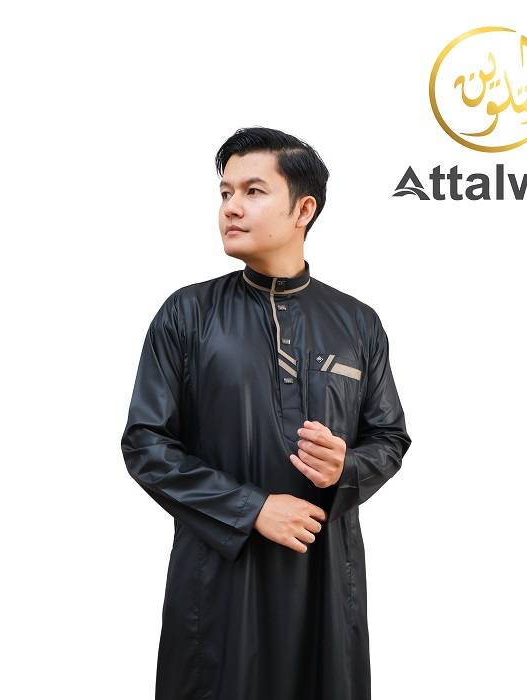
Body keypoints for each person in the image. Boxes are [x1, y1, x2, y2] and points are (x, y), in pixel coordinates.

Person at [121, 126, 411, 700]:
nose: (231, 207)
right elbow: (145, 443)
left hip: (324, 583)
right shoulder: (188, 315)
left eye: (253, 191)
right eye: (224, 192)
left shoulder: (357, 324)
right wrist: (251, 508)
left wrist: (345, 468)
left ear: (304, 209)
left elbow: (389, 438)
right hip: (221, 586)